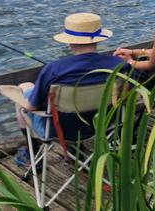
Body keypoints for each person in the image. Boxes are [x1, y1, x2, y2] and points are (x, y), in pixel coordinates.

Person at [7, 13, 127, 165]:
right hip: (106, 125)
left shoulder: (54, 69)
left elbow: (32, 106)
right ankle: (76, 149)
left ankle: (31, 154)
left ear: (69, 42)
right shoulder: (120, 65)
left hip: (61, 131)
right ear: (99, 39)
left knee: (23, 90)